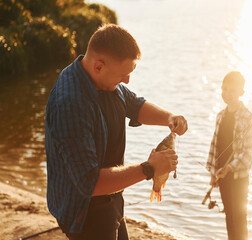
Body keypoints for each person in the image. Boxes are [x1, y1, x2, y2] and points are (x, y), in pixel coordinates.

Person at [45, 24, 188, 240]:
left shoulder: (105, 81)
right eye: (123, 74)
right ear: (99, 66)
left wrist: (169, 118)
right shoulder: (70, 103)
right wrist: (149, 168)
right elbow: (89, 182)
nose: (127, 80)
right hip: (83, 213)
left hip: (111, 200)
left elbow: (134, 105)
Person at [206, 71, 252, 240]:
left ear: (241, 92)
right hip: (222, 174)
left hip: (238, 176)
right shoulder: (220, 116)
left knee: (239, 217)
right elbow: (215, 144)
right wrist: (214, 173)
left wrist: (229, 167)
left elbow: (248, 152)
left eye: (232, 90)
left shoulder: (248, 118)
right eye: (224, 89)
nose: (227, 94)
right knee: (229, 215)